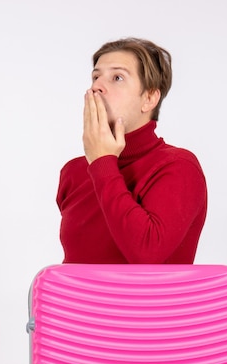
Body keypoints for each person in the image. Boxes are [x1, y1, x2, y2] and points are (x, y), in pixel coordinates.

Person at [57, 37, 207, 264]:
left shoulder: (179, 167)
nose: (96, 86)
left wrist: (102, 162)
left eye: (117, 77)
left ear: (149, 98)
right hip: (78, 301)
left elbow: (146, 254)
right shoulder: (74, 172)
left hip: (151, 301)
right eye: (95, 77)